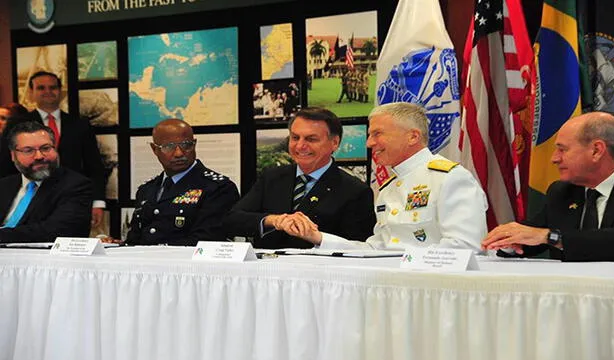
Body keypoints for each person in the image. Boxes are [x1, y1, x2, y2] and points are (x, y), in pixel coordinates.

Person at [280, 102, 488, 251]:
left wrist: (405, 265)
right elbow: (375, 248)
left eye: (377, 134)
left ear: (412, 136)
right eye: (370, 135)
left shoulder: (449, 178)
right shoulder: (388, 188)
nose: (369, 143)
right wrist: (317, 238)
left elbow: (466, 246)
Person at [483, 112, 614, 262]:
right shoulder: (562, 192)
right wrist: (510, 239)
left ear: (596, 150)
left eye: (562, 149)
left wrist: (552, 237)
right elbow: (534, 237)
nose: (554, 159)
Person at [224, 107, 376, 249]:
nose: (300, 146)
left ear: (334, 143)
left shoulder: (355, 191)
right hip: (267, 271)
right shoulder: (271, 177)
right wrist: (274, 220)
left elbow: (357, 247)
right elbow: (232, 220)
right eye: (295, 137)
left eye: (311, 139)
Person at [0, 71, 106, 228]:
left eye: (53, 87)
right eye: (41, 88)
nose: (48, 92)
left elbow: (94, 165)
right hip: (30, 195)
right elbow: (5, 163)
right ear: (31, 92)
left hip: (72, 196)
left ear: (60, 91)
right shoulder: (17, 123)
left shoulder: (80, 124)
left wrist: (97, 202)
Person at [125, 118, 239, 246]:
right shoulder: (146, 189)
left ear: (194, 144)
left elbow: (207, 241)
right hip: (144, 262)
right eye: (168, 147)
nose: (179, 153)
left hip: (189, 264)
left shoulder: (218, 188)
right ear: (154, 149)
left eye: (186, 145)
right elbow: (134, 239)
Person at [0, 121, 92, 242]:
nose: (39, 156)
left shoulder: (76, 185)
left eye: (45, 148)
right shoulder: (4, 185)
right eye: (28, 150)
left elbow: (56, 231)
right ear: (13, 155)